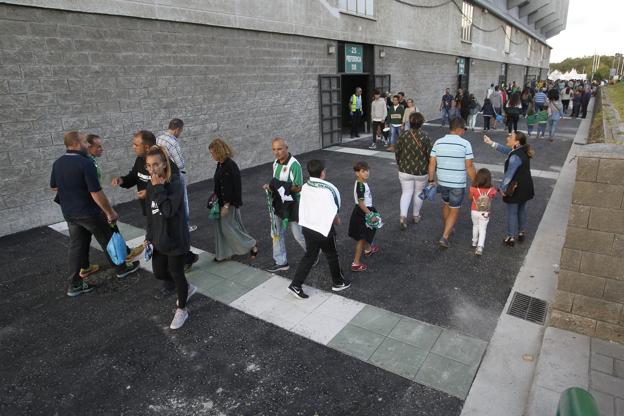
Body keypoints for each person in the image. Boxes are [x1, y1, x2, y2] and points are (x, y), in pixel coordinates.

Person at [50, 131, 140, 297]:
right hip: (88, 211)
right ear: (77, 143)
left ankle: (75, 284)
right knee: (108, 238)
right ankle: (121, 269)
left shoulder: (58, 163)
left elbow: (55, 187)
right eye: (85, 142)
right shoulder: (85, 163)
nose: (88, 145)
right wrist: (109, 211)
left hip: (70, 212)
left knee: (77, 246)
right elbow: (96, 192)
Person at [143, 145, 196, 330]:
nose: (152, 170)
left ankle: (182, 309)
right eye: (148, 166)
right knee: (159, 273)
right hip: (159, 238)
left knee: (176, 273)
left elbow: (168, 211)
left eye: (155, 165)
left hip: (175, 238)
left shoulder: (175, 182)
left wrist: (158, 188)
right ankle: (187, 289)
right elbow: (151, 213)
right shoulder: (152, 183)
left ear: (164, 164)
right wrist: (148, 236)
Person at [287, 159, 350, 299]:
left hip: (308, 227)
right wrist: (337, 221)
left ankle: (296, 285)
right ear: (323, 172)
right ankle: (338, 282)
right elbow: (333, 209)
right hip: (324, 229)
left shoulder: (306, 186)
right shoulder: (328, 190)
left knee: (309, 256)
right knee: (332, 255)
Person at [428, 118, 476, 248]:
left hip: (442, 181)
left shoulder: (438, 142)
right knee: (454, 210)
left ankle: (448, 227)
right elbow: (469, 166)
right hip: (457, 183)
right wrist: (476, 183)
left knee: (446, 204)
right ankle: (445, 237)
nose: (464, 132)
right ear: (459, 129)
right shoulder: (465, 144)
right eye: (464, 129)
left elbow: (432, 163)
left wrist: (431, 180)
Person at [157, 119, 199, 269]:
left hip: (164, 175)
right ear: (177, 129)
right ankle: (185, 225)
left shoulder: (159, 138)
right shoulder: (173, 142)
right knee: (183, 202)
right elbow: (180, 163)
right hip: (175, 174)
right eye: (181, 130)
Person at [209, 139, 258, 262]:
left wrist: (226, 205)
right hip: (221, 202)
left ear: (219, 151)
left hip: (227, 203)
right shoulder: (221, 164)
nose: (212, 156)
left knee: (228, 229)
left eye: (213, 153)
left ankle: (251, 244)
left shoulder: (229, 166)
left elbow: (231, 188)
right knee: (226, 228)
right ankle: (225, 253)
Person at [263, 137, 306, 272]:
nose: (277, 152)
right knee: (276, 232)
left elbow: (298, 187)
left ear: (286, 148)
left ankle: (313, 253)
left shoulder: (294, 165)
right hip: (277, 203)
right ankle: (281, 262)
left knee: (298, 235)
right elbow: (276, 183)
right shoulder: (275, 163)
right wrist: (271, 187)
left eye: (280, 149)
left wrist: (279, 186)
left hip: (293, 205)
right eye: (274, 149)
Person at [483, 132, 534, 247]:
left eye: (510, 136)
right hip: (526, 186)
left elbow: (509, 175)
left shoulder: (515, 156)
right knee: (522, 209)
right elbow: (507, 151)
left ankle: (510, 237)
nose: (507, 137)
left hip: (516, 187)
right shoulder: (522, 150)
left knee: (512, 212)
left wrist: (502, 188)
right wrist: (491, 143)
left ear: (516, 142)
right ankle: (521, 232)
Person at [395, 112, 432, 230]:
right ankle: (416, 216)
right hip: (421, 171)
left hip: (405, 169)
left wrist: (399, 163)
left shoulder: (403, 135)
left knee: (406, 193)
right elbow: (430, 155)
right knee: (418, 193)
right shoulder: (425, 136)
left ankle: (403, 216)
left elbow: (398, 152)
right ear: (421, 123)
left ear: (410, 123)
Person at [348, 161, 380, 272]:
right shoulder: (361, 186)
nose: (366, 173)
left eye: (367, 170)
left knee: (367, 233)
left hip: (364, 210)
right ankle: (356, 263)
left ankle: (368, 250)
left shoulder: (362, 182)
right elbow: (361, 203)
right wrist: (370, 215)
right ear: (357, 173)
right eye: (363, 171)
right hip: (363, 212)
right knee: (361, 238)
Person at [469, 168, 497, 256]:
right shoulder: (491, 190)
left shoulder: (473, 188)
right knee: (483, 229)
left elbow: (470, 198)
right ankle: (480, 247)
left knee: (475, 226)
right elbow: (493, 196)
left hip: (474, 210)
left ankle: (474, 242)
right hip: (485, 212)